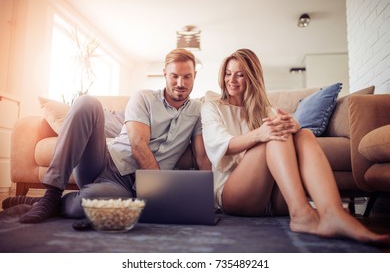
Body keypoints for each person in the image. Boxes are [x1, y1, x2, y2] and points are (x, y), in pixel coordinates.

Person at [201, 48, 390, 244]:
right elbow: (223, 145)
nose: (231, 80)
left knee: (305, 134)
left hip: (275, 198)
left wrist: (295, 126)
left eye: (240, 75)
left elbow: (286, 140)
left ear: (252, 77)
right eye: (228, 73)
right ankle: (301, 214)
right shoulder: (212, 106)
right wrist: (261, 133)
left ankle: (333, 213)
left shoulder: (266, 110)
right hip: (236, 195)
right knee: (272, 133)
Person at [2, 48, 211, 223]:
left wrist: (209, 198)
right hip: (103, 162)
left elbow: (202, 157)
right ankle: (52, 193)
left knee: (83, 209)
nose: (181, 83)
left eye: (187, 76)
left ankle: (43, 203)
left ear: (195, 76)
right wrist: (156, 194)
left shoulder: (198, 111)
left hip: (123, 187)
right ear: (165, 74)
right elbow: (138, 145)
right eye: (175, 76)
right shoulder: (144, 98)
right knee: (87, 103)